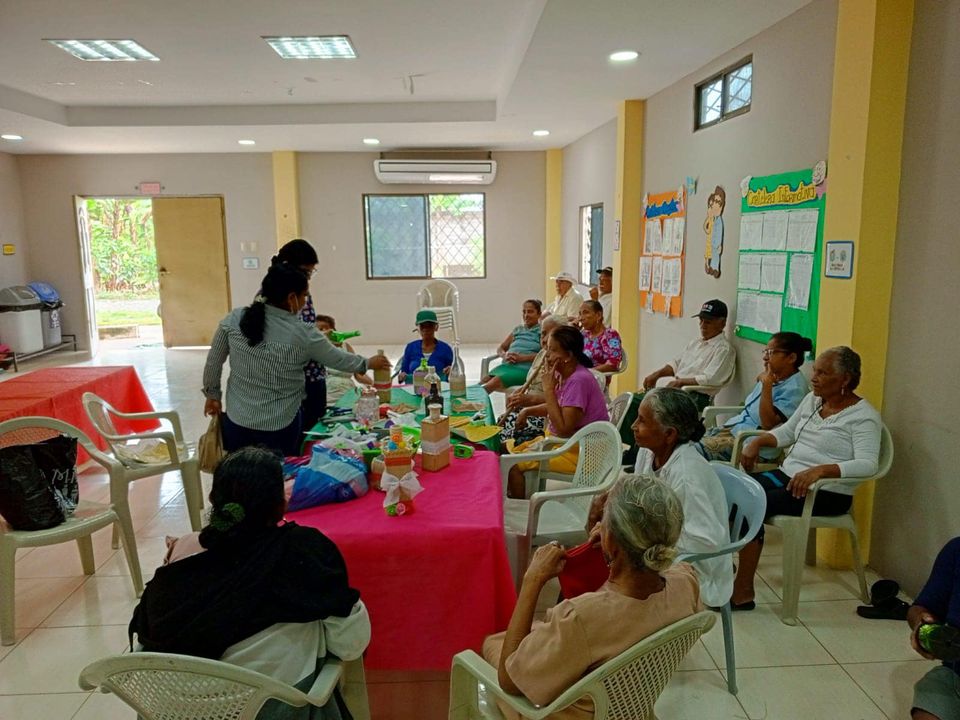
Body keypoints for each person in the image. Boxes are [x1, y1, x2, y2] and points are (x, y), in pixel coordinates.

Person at [130, 447, 370, 720]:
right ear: (281, 503)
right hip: (270, 709)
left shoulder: (181, 552)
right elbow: (351, 644)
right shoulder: (303, 551)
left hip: (168, 709)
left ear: (214, 501)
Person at [481, 474, 701, 720]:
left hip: (565, 714)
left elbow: (509, 681)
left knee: (492, 643)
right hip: (629, 704)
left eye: (603, 522)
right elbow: (625, 605)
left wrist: (533, 579)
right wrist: (609, 548)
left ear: (612, 540)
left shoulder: (578, 618)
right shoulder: (687, 582)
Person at [732, 346, 882, 609]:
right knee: (731, 492)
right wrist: (758, 442)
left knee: (750, 503)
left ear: (845, 379)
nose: (814, 378)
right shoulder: (813, 401)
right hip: (789, 477)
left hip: (827, 493)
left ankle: (743, 591)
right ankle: (726, 569)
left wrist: (821, 470)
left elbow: (868, 464)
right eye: (815, 371)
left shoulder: (863, 417)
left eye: (822, 373)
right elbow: (786, 433)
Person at [202, 263, 391, 456]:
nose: (305, 302)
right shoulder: (303, 333)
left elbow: (213, 361)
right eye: (304, 296)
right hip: (279, 425)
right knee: (280, 472)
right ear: (291, 298)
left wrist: (212, 395)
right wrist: (367, 363)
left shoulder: (234, 319)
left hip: (237, 420)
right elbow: (338, 359)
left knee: (240, 469)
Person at [626, 387, 732, 608]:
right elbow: (637, 494)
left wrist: (645, 543)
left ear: (669, 434)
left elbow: (705, 541)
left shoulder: (687, 476)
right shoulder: (647, 452)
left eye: (642, 421)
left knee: (618, 578)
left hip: (696, 568)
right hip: (663, 545)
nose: (633, 426)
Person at [505, 325, 608, 498]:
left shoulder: (578, 381)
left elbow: (563, 429)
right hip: (564, 443)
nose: (547, 355)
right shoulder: (564, 373)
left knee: (512, 465)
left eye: (553, 351)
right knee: (506, 448)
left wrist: (548, 389)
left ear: (568, 356)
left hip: (580, 452)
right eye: (547, 349)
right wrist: (527, 411)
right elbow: (559, 408)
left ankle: (519, 510)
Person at [697, 332, 812, 462]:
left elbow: (767, 423)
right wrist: (765, 380)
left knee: (693, 450)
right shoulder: (772, 375)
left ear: (791, 358)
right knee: (685, 441)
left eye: (771, 353)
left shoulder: (795, 389)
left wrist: (767, 385)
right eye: (765, 352)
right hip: (734, 428)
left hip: (751, 444)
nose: (765, 357)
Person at [641, 299, 736, 410]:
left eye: (708, 322)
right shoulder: (696, 343)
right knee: (636, 400)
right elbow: (676, 363)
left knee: (646, 407)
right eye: (701, 320)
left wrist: (681, 382)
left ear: (722, 323)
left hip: (695, 397)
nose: (702, 325)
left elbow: (710, 379)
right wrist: (657, 375)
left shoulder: (724, 349)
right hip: (677, 392)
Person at [275, 239, 327, 429]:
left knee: (315, 429)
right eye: (306, 272)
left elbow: (306, 329)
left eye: (311, 272)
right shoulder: (272, 296)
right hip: (293, 381)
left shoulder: (302, 291)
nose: (309, 278)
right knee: (299, 433)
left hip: (313, 375)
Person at [909, 537, 960, 720]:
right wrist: (921, 623)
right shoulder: (956, 550)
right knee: (929, 702)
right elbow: (920, 608)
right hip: (955, 676)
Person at [497, 316, 562, 445]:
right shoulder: (542, 354)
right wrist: (520, 392)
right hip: (529, 408)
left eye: (548, 334)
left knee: (507, 437)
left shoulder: (560, 362)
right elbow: (531, 382)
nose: (544, 339)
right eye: (542, 334)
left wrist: (531, 400)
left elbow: (562, 402)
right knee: (500, 423)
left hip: (545, 417)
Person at [482, 299, 543, 393]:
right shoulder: (518, 329)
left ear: (539, 314)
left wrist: (522, 358)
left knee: (491, 384)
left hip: (526, 370)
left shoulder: (542, 331)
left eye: (530, 312)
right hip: (507, 366)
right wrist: (504, 355)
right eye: (524, 312)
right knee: (483, 382)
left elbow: (545, 354)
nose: (526, 315)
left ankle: (469, 401)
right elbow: (501, 348)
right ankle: (468, 400)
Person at [315, 314, 373, 404]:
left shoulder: (346, 346)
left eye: (325, 328)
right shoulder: (316, 349)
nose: (323, 332)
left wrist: (373, 383)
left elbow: (358, 374)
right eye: (319, 330)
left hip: (349, 391)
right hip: (328, 392)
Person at [398, 309, 454, 382]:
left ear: (436, 327)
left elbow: (453, 372)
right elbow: (404, 371)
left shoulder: (445, 349)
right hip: (413, 388)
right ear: (418, 328)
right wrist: (402, 376)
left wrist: (450, 370)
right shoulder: (411, 348)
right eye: (422, 326)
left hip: (438, 387)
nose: (426, 329)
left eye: (430, 326)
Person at [578, 300, 623, 374]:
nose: (580, 318)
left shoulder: (609, 335)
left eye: (586, 313)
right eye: (580, 314)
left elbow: (613, 364)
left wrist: (587, 372)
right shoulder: (583, 334)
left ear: (598, 315)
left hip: (597, 377)